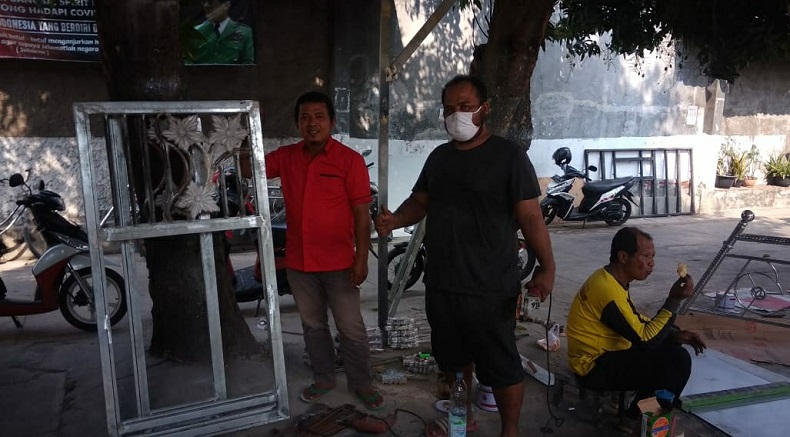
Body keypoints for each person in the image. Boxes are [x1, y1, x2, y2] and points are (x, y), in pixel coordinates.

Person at [375, 75, 555, 437]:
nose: (456, 115)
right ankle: (463, 419)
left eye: (465, 106)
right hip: (443, 284)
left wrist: (547, 268)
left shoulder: (509, 156)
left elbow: (531, 217)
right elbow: (420, 202)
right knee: (454, 361)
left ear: (484, 109)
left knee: (501, 365)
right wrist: (395, 219)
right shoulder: (440, 158)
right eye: (449, 109)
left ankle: (509, 431)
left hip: (491, 287)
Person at [263, 91, 383, 411]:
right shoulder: (286, 157)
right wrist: (238, 139)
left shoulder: (350, 161)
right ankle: (324, 377)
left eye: (319, 117)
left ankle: (361, 383)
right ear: (297, 124)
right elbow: (251, 168)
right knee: (313, 325)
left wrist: (361, 258)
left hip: (339, 262)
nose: (312, 123)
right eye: (305, 117)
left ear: (331, 121)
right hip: (299, 260)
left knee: (350, 327)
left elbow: (361, 214)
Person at [566, 227, 706, 430]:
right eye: (646, 256)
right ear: (623, 257)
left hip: (607, 353)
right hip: (593, 366)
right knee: (677, 361)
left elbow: (635, 319)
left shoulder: (608, 278)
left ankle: (641, 411)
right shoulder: (606, 289)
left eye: (653, 256)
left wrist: (674, 334)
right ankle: (636, 417)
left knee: (669, 340)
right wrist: (673, 301)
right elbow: (646, 340)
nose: (651, 263)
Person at [184, 0, 254, 65]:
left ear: (226, 5)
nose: (206, 6)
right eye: (204, 2)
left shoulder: (244, 32)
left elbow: (248, 65)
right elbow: (187, 63)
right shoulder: (195, 32)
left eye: (211, 2)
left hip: (234, 74)